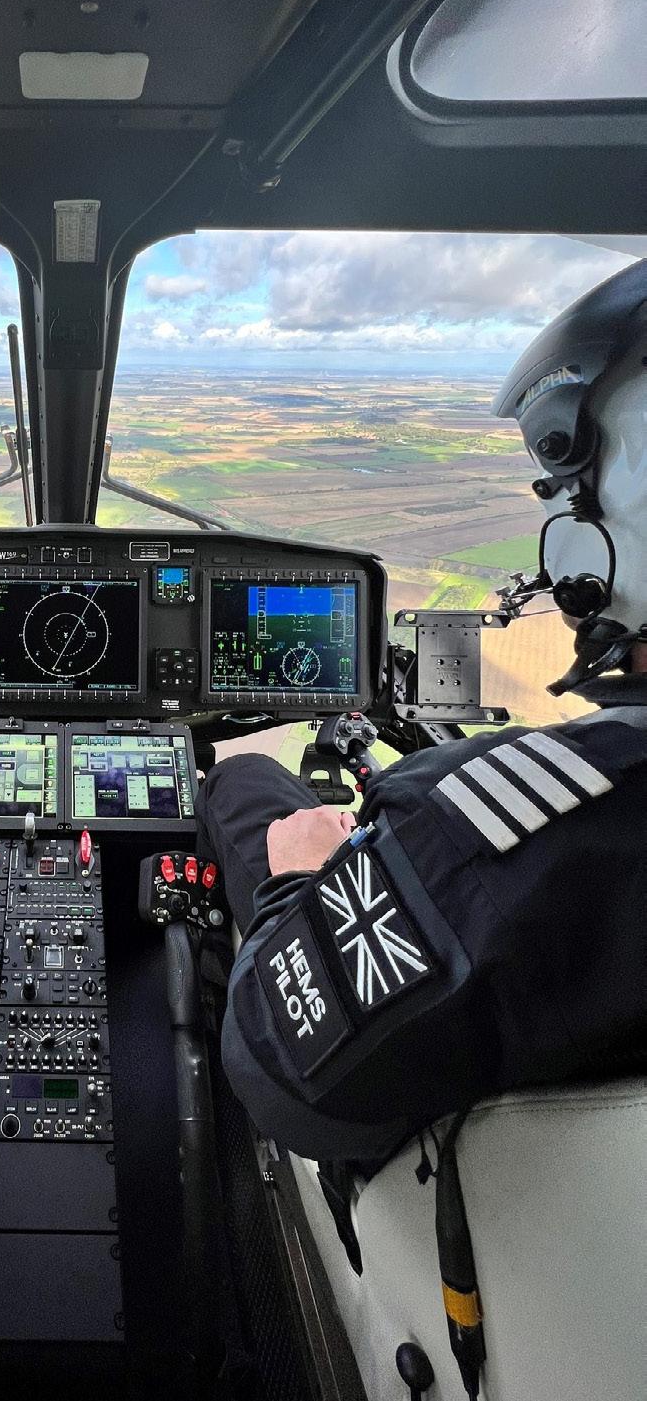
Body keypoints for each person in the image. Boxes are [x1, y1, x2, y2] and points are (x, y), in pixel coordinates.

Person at [203, 260, 647, 1172]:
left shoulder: (486, 834)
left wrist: (300, 881)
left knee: (242, 779)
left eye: (568, 496)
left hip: (455, 1213)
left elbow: (275, 1066)